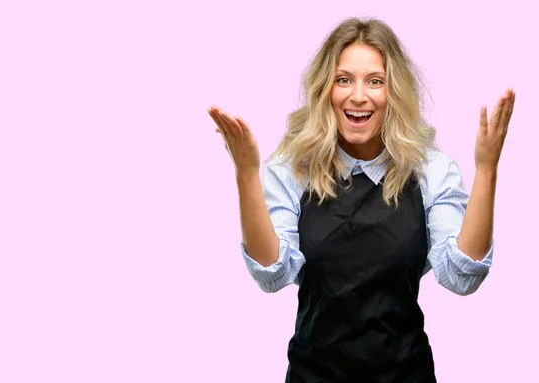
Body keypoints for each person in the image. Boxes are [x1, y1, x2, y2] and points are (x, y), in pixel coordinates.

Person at [207, 17, 515, 383]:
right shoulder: (290, 170)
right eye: (343, 79)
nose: (358, 95)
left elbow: (461, 277)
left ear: (393, 92)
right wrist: (246, 173)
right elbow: (272, 274)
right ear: (326, 90)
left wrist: (487, 169)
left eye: (375, 81)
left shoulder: (432, 170)